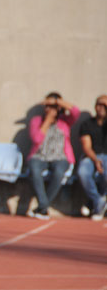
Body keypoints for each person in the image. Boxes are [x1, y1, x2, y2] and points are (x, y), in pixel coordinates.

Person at [26, 92, 80, 220]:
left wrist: (56, 101)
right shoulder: (36, 121)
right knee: (34, 170)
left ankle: (41, 208)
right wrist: (47, 121)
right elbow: (36, 139)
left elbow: (76, 111)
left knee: (59, 173)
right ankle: (44, 207)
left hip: (60, 157)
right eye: (47, 106)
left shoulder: (65, 121)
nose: (49, 109)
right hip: (39, 156)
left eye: (53, 106)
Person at [78, 94, 107, 220]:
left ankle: (94, 204)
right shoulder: (87, 124)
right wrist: (96, 160)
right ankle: (98, 201)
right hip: (91, 156)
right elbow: (86, 146)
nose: (101, 107)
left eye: (104, 105)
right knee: (82, 172)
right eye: (98, 104)